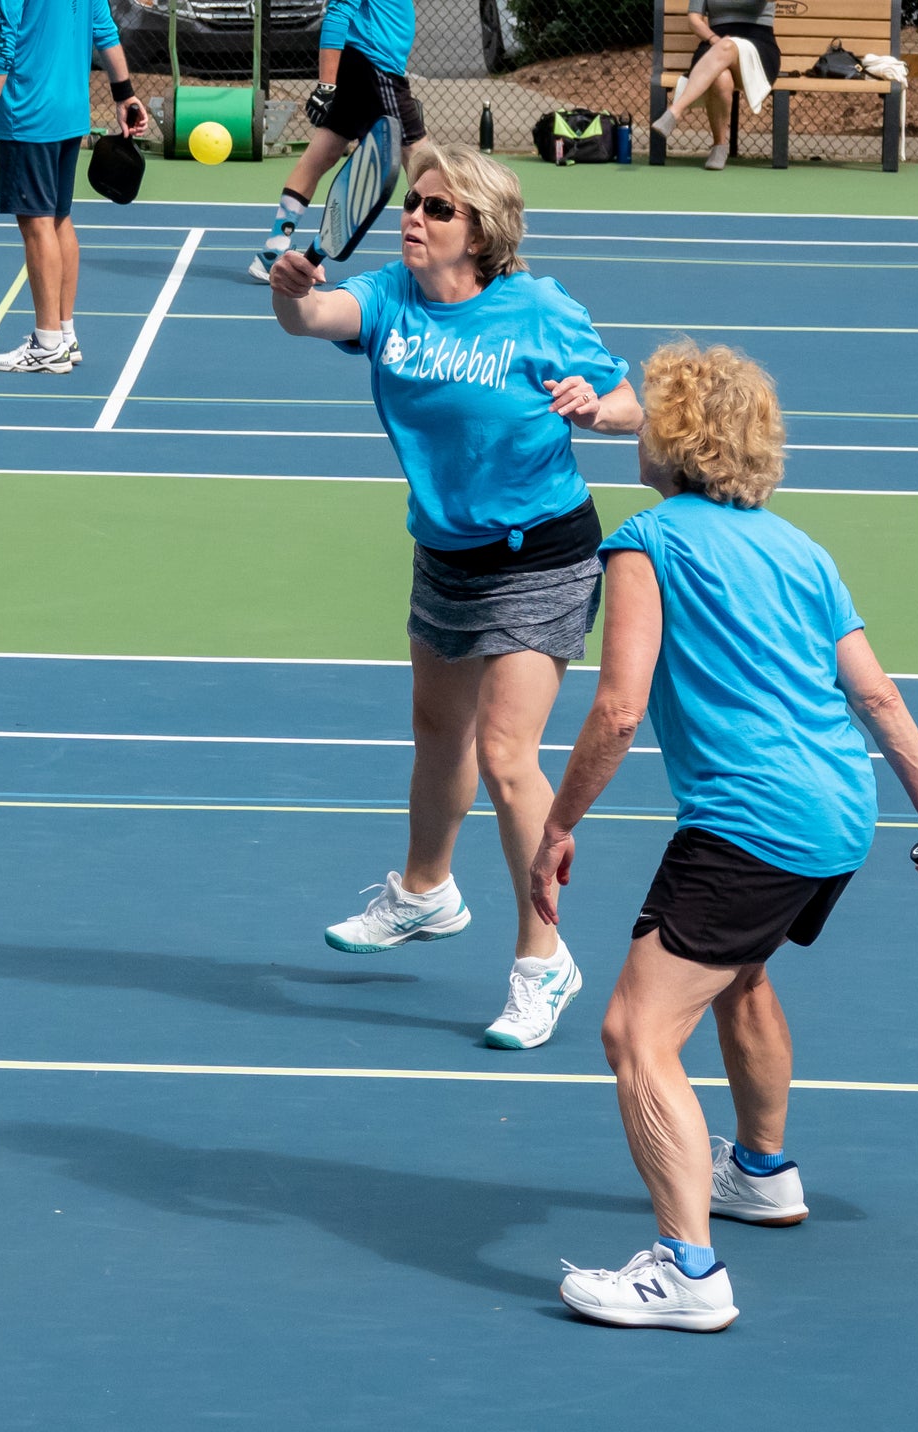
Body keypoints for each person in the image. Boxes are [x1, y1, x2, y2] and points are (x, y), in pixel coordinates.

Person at [530, 340, 918, 1330]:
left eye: (650, 409)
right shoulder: (801, 549)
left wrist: (557, 825)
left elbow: (618, 709)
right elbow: (877, 695)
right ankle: (762, 1172)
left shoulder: (648, 541)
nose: (637, 420)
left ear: (678, 434)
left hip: (748, 822)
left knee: (635, 1033)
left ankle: (687, 1271)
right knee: (738, 974)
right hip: (836, 817)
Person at [268, 142, 643, 1050]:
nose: (416, 218)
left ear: (481, 231)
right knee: (438, 733)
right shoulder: (391, 297)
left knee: (509, 756)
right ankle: (426, 892)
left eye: (438, 209)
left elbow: (629, 399)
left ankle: (542, 961)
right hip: (445, 554)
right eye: (415, 203)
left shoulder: (538, 307)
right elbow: (311, 315)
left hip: (540, 553)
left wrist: (595, 409)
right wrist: (288, 287)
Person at [0, 0, 148, 374]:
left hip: (29, 113)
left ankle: (47, 343)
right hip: (71, 112)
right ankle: (64, 335)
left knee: (37, 223)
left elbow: (0, 40)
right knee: (59, 218)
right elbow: (103, 27)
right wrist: (124, 94)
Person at [248, 0, 426, 282]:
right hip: (376, 67)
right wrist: (326, 87)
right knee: (421, 157)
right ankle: (441, 252)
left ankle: (273, 251)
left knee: (321, 155)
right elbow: (338, 14)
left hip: (367, 66)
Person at [650, 0, 780, 170]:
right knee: (720, 77)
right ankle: (719, 146)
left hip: (757, 46)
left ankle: (675, 111)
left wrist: (720, 43)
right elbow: (694, 19)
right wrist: (712, 39)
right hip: (714, 45)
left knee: (726, 46)